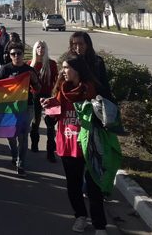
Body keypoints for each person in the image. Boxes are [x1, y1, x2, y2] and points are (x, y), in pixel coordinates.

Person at [41, 55, 113, 235]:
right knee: (73, 185)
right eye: (62, 68)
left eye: (66, 68)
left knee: (93, 187)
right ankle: (80, 216)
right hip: (67, 144)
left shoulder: (91, 89)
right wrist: (48, 108)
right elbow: (53, 118)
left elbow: (104, 115)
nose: (63, 71)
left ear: (77, 70)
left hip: (90, 145)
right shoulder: (61, 89)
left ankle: (100, 225)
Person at [0, 42, 41, 176]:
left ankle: (21, 163)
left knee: (22, 136)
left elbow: (38, 89)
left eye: (19, 53)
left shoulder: (29, 70)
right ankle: (14, 154)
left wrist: (34, 80)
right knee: (10, 134)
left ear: (22, 55)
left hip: (26, 106)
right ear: (10, 56)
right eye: (13, 54)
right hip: (10, 107)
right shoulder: (5, 69)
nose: (16, 56)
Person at [29, 40, 59, 162]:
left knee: (50, 124)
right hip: (35, 96)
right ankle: (34, 144)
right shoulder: (30, 64)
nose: (41, 49)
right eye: (38, 47)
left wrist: (55, 96)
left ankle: (51, 151)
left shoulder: (51, 64)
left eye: (43, 47)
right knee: (35, 121)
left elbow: (56, 81)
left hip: (49, 96)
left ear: (46, 50)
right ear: (35, 49)